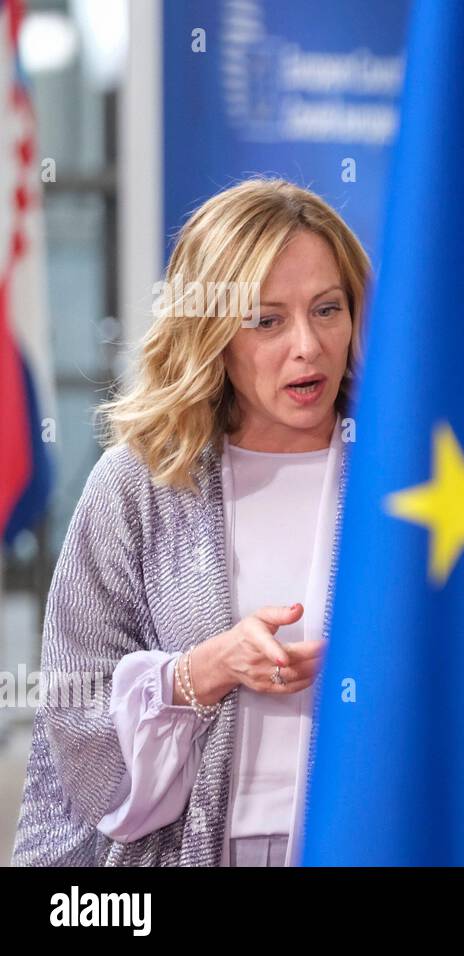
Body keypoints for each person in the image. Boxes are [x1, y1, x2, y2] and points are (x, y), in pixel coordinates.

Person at [11, 178, 369, 866]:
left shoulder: (405, 478)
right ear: (211, 333)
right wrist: (199, 673)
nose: (309, 346)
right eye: (267, 320)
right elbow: (73, 716)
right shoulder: (138, 484)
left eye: (328, 309)